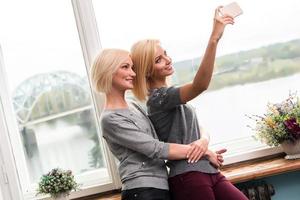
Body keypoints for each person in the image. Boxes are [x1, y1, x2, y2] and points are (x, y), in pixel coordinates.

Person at [131, 7, 248, 200]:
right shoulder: (158, 99)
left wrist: (204, 143)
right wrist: (214, 39)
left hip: (208, 171)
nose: (168, 60)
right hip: (188, 177)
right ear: (147, 70)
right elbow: (200, 85)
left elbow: (198, 128)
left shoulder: (169, 96)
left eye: (165, 54)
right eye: (159, 60)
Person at [90, 48, 222, 200]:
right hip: (141, 190)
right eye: (125, 67)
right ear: (108, 71)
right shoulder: (110, 119)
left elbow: (163, 137)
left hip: (160, 186)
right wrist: (204, 152)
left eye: (132, 68)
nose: (133, 73)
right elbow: (156, 148)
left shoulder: (134, 105)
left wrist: (204, 140)